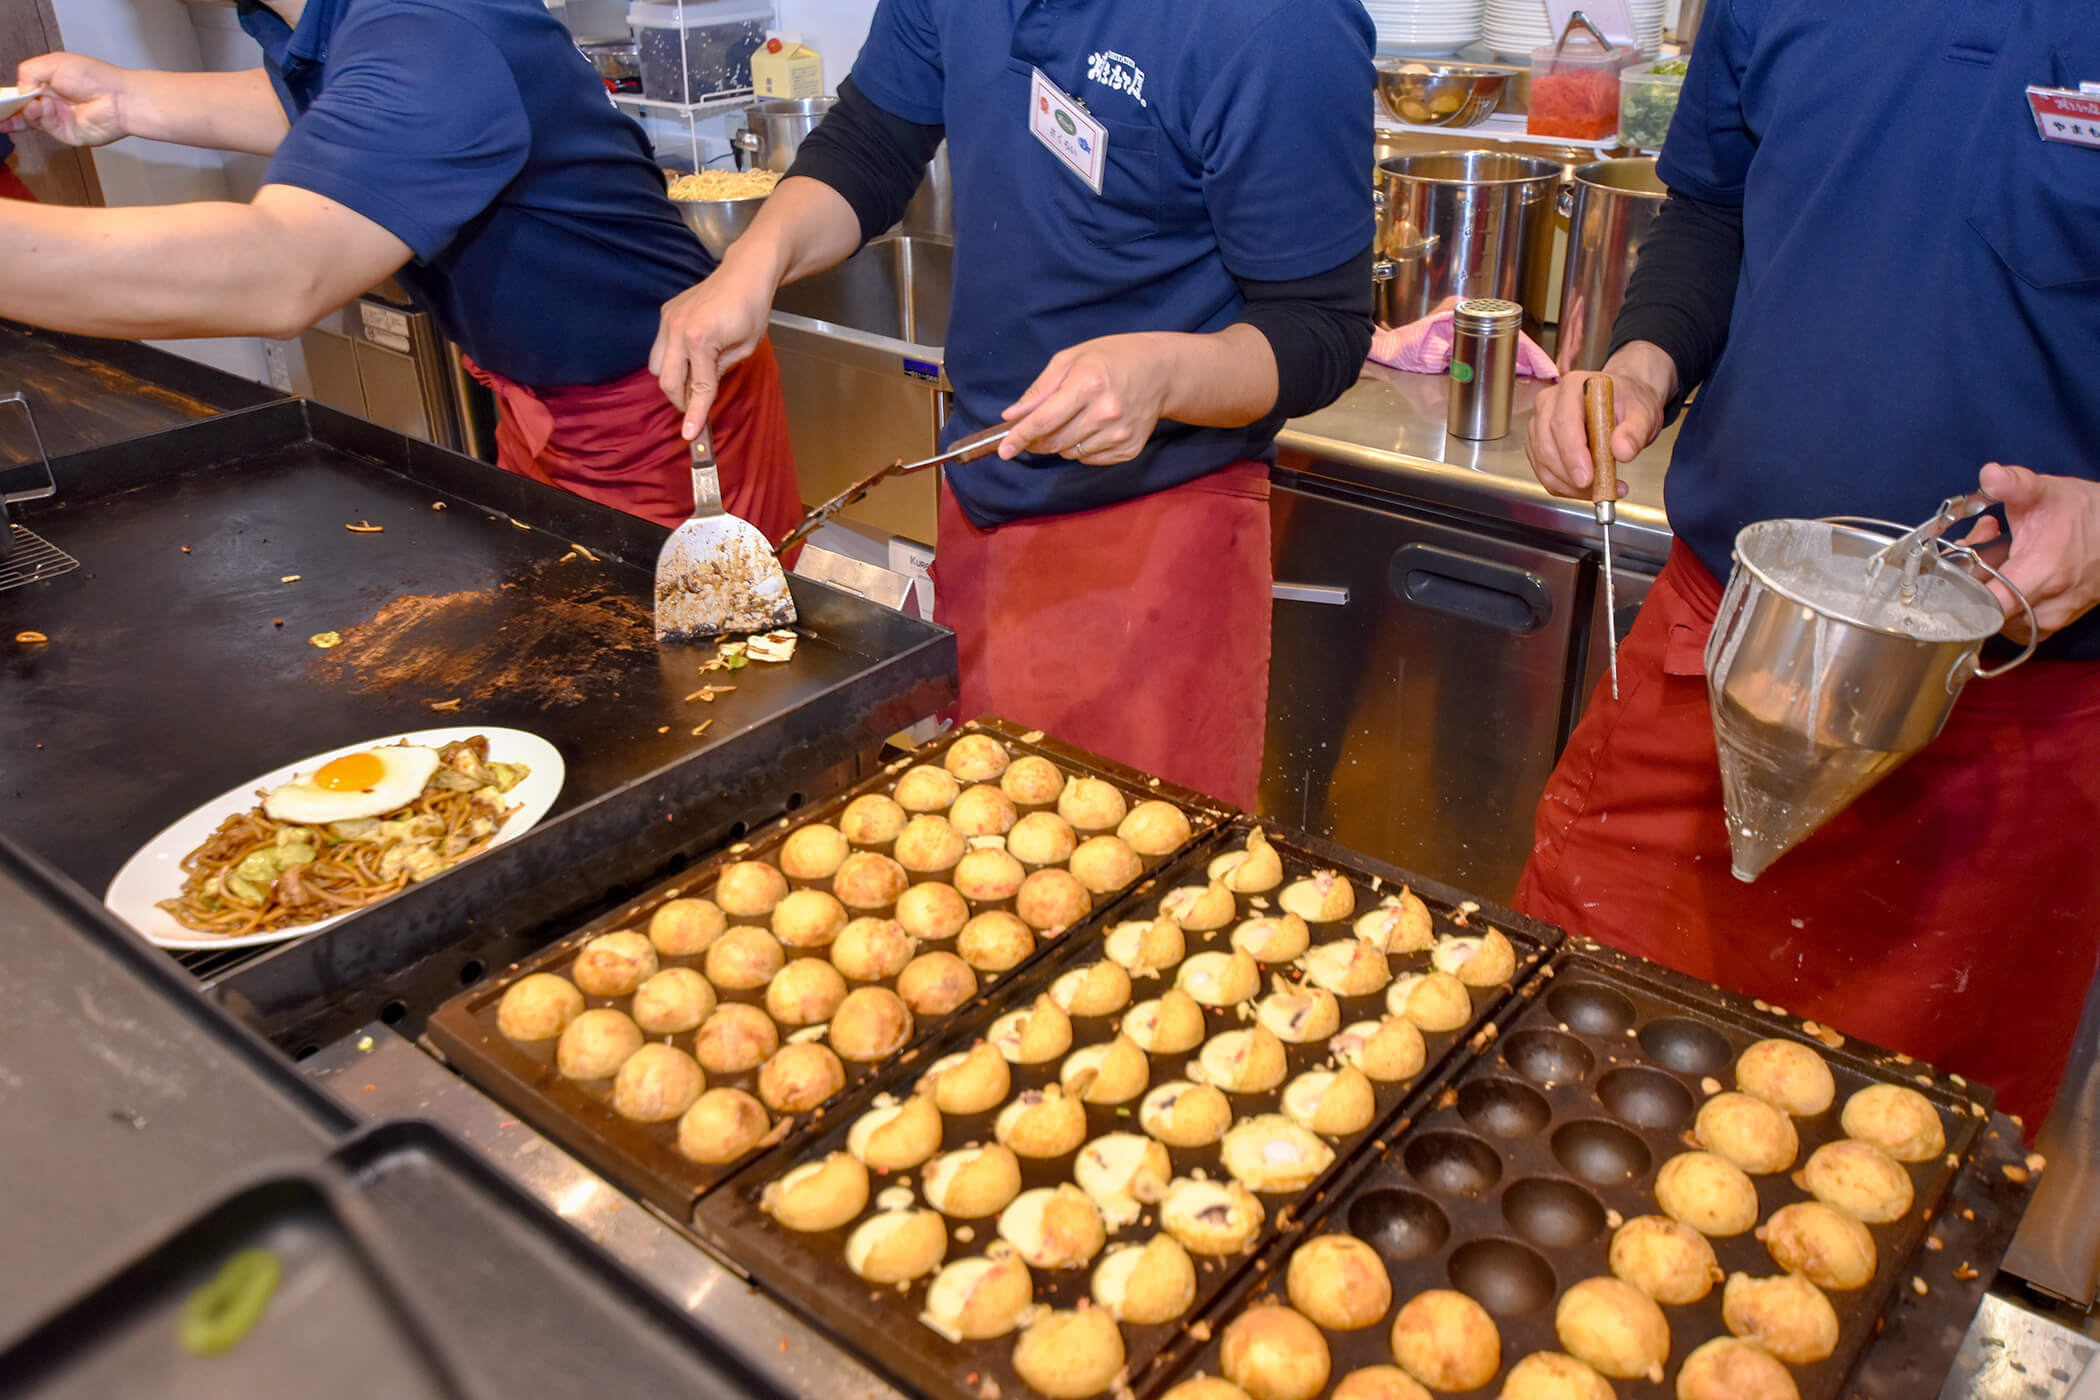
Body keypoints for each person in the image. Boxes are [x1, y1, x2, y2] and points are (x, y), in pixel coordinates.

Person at [1517, 0, 2100, 1129]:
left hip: (2001, 726)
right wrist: (1645, 360)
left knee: (1892, 1171)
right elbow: (1715, 208)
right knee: (1563, 1096)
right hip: (1720, 655)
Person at [651, 0, 1376, 808]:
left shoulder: (1275, 25)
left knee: (1148, 896)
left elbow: (1322, 326)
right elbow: (873, 141)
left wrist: (1167, 373)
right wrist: (755, 259)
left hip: (1159, 538)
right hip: (985, 493)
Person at [0, 0, 799, 539]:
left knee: (701, 692)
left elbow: (283, 271)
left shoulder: (429, 27)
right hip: (541, 397)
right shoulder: (342, 20)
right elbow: (346, 106)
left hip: (658, 406)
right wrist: (131, 99)